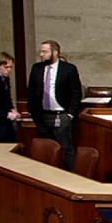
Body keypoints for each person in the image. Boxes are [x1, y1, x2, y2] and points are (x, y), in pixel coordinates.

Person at [26, 40, 82, 170]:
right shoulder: (37, 68)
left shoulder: (68, 69)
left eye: (45, 51)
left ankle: (71, 178)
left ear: (55, 52)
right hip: (42, 116)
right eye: (41, 51)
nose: (41, 54)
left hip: (62, 115)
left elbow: (76, 93)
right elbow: (31, 92)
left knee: (66, 149)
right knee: (46, 151)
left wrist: (70, 114)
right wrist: (34, 114)